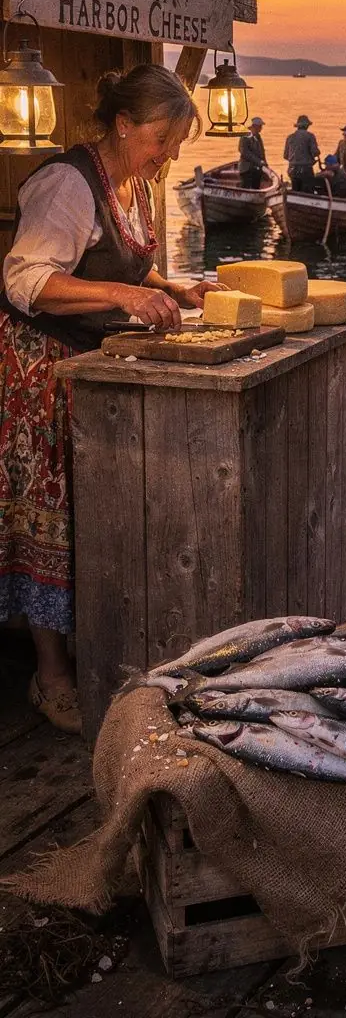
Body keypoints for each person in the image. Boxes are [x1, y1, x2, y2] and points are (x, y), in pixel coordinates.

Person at [0, 65, 220, 732]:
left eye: (178, 143)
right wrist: (126, 297)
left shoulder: (134, 183)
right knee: (46, 519)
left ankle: (101, 654)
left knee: (89, 512)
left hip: (90, 369)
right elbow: (25, 278)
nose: (169, 154)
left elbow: (122, 262)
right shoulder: (67, 184)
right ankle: (51, 676)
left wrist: (171, 288)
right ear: (124, 126)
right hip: (39, 369)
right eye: (162, 139)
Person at [284, 115, 319, 192]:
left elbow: (285, 156)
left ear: (298, 126)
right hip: (306, 169)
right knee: (308, 192)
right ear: (307, 126)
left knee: (295, 191)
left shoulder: (290, 137)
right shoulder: (310, 136)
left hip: (292, 169)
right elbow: (315, 152)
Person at [238, 116, 267, 189]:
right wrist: (258, 161)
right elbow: (244, 152)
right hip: (246, 168)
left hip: (256, 168)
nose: (261, 128)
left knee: (256, 186)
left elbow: (262, 152)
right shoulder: (245, 136)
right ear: (255, 126)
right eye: (260, 126)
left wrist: (265, 164)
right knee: (245, 186)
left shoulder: (258, 136)